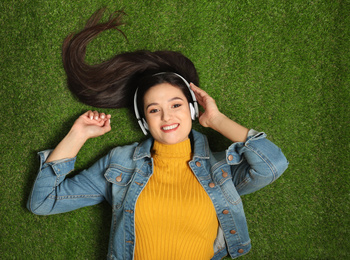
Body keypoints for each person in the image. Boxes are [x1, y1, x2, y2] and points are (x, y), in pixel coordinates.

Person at [27, 9, 288, 260]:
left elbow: (272, 165)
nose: (167, 117)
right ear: (144, 122)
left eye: (176, 105)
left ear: (192, 109)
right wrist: (78, 135)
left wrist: (217, 120)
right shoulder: (120, 165)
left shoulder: (220, 169)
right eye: (154, 110)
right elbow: (43, 202)